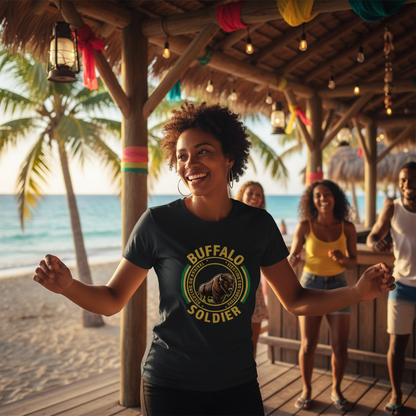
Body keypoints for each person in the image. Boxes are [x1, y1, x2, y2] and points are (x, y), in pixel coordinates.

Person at [33, 102, 395, 416]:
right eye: (182, 156)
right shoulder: (157, 224)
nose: (190, 163)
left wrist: (357, 293)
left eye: (203, 151)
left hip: (237, 384)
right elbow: (112, 300)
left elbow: (296, 300)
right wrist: (68, 286)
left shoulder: (258, 225)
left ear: (228, 158)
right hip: (169, 384)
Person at [289, 180, 357, 412]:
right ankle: (306, 389)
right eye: (317, 196)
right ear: (312, 201)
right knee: (308, 345)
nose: (322, 198)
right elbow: (293, 257)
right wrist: (294, 260)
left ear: (335, 197)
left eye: (327, 194)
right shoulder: (305, 226)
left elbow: (352, 263)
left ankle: (336, 390)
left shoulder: (347, 227)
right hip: (310, 287)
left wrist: (341, 257)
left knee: (340, 346)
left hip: (339, 286)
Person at [366, 162, 416, 416]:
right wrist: (377, 244)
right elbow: (372, 237)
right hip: (403, 286)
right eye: (404, 180)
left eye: (413, 180)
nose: (408, 185)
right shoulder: (392, 208)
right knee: (397, 346)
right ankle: (396, 394)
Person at [235, 181, 268, 358]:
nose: (254, 197)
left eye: (258, 194)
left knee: (252, 345)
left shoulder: (262, 223)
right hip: (231, 287)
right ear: (242, 195)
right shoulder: (228, 219)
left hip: (254, 289)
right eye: (251, 193)